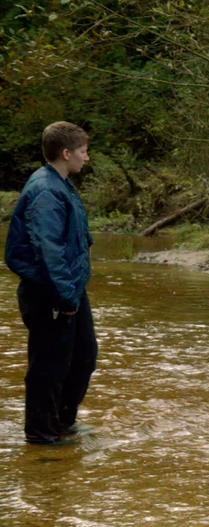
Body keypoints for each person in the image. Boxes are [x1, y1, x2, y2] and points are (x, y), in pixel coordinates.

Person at [5, 121, 98, 444]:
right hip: (51, 293)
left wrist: (73, 291)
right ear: (66, 152)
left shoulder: (61, 183)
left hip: (69, 288)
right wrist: (65, 297)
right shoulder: (46, 190)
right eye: (84, 151)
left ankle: (62, 422)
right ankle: (42, 436)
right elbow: (49, 251)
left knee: (84, 356)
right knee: (49, 365)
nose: (87, 158)